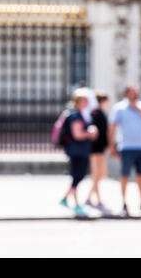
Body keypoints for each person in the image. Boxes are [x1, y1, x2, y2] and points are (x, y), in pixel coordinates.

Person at [108, 84, 141, 217]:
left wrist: (137, 108)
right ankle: (124, 203)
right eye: (132, 92)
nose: (135, 94)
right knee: (125, 176)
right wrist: (111, 146)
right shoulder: (119, 108)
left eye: (136, 91)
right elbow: (112, 127)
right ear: (126, 94)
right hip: (126, 147)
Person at [60, 88, 98, 217]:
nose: (87, 102)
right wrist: (89, 133)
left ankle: (65, 198)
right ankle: (76, 204)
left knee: (78, 177)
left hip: (81, 150)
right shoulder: (76, 115)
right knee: (77, 177)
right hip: (77, 151)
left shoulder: (82, 115)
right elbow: (77, 134)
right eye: (85, 100)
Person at [85, 91, 110, 213]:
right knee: (96, 175)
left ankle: (89, 198)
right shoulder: (95, 113)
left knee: (101, 174)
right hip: (95, 149)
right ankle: (97, 200)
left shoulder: (100, 113)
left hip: (100, 148)